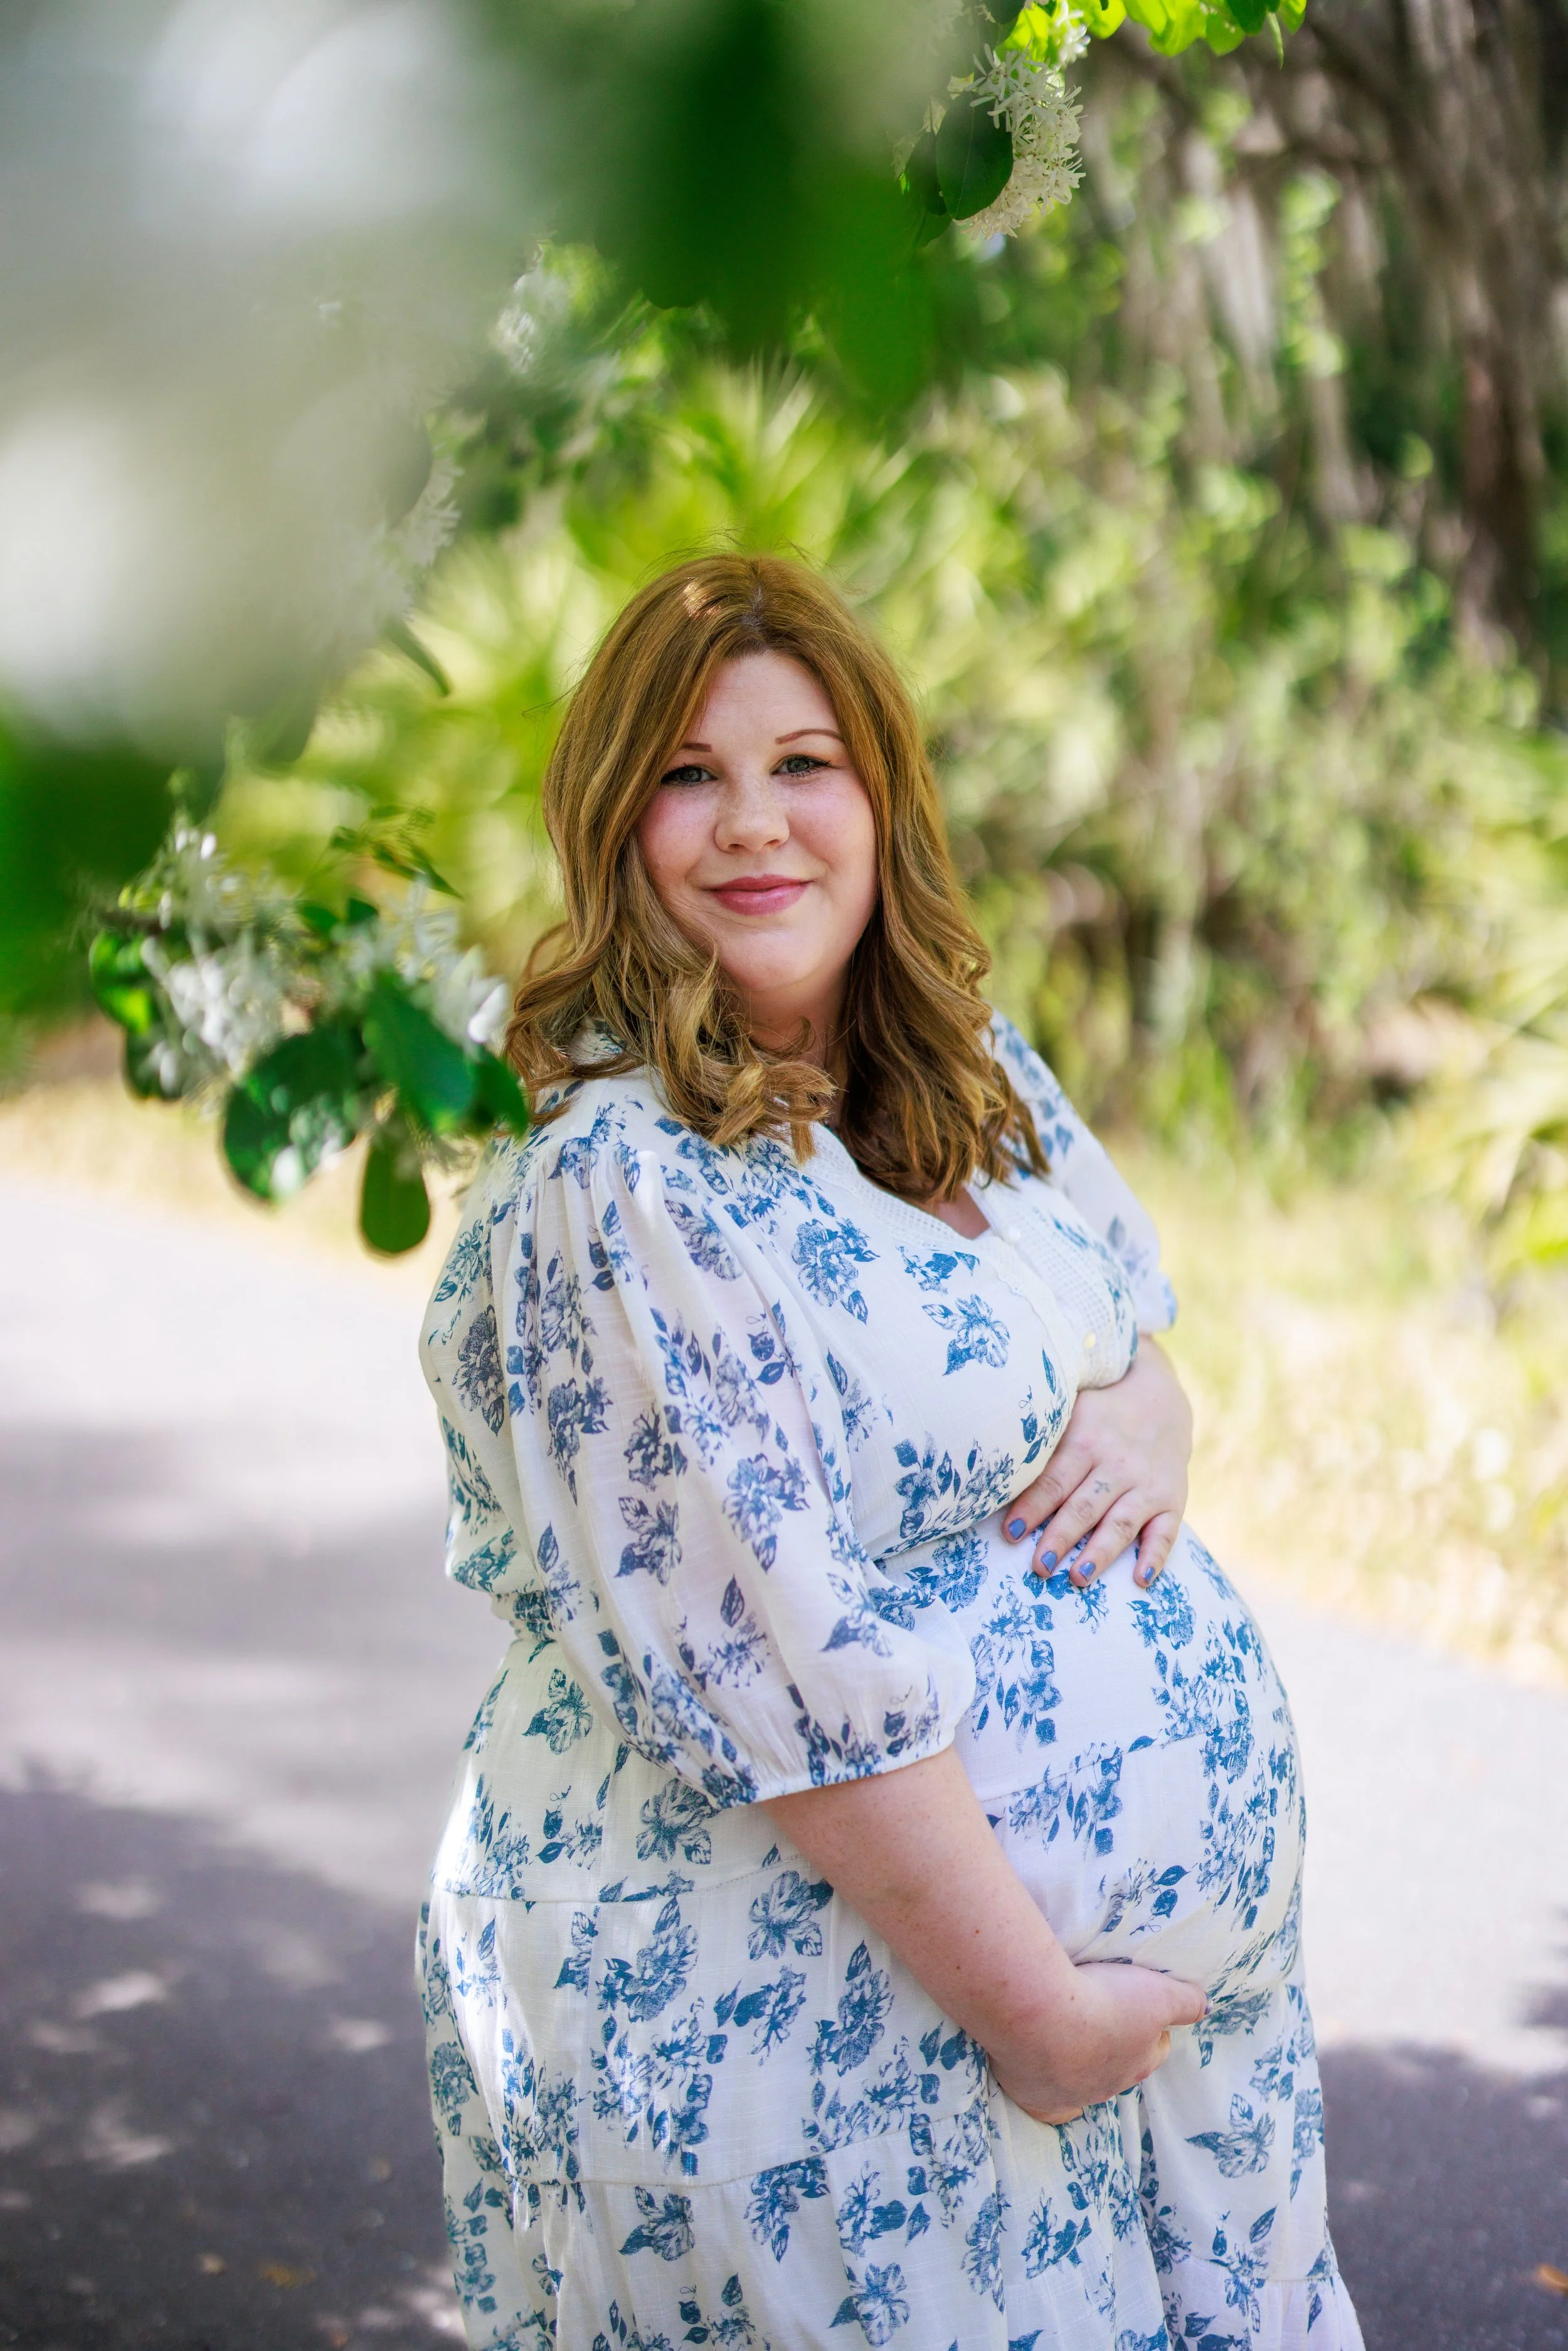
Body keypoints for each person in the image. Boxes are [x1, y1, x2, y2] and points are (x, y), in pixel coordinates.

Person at [417, 555, 1364, 2350]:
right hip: (843, 2036)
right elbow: (770, 1665)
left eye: (805, 764)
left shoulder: (960, 1069)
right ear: (609, 828)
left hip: (1103, 2050)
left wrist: (1147, 1406)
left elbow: (1124, 1308)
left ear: (883, 802)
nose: (752, 824)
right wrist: (1035, 2011)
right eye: (688, 775)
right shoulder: (625, 1186)